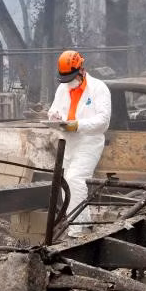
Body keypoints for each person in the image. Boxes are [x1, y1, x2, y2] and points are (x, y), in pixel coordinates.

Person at [47, 50, 112, 238]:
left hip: (88, 142)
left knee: (76, 179)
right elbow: (53, 110)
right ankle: (85, 224)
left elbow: (103, 121)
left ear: (81, 70)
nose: (68, 81)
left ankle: (76, 230)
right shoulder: (63, 88)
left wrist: (78, 125)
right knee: (65, 183)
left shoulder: (99, 88)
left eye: (71, 77)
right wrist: (54, 117)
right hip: (68, 142)